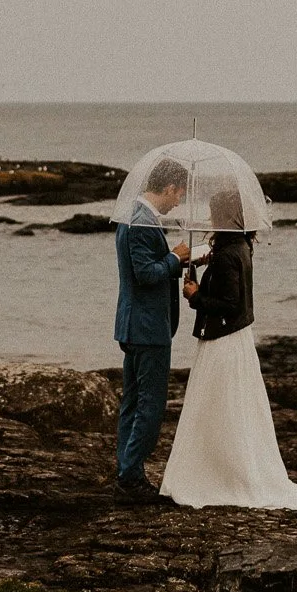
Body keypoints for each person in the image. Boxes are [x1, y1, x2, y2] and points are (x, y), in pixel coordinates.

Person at [159, 186, 297, 511]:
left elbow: (228, 304)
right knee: (231, 407)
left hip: (222, 342)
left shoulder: (228, 255)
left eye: (215, 213)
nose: (211, 219)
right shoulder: (240, 247)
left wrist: (196, 296)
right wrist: (206, 264)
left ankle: (217, 475)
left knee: (216, 407)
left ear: (225, 217)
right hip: (236, 340)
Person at [111, 157, 190, 503]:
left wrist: (179, 259)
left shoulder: (131, 215)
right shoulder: (143, 222)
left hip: (133, 325)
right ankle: (130, 477)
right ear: (170, 187)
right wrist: (175, 259)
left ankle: (127, 469)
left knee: (132, 402)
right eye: (180, 195)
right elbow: (146, 274)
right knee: (150, 405)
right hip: (147, 328)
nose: (179, 202)